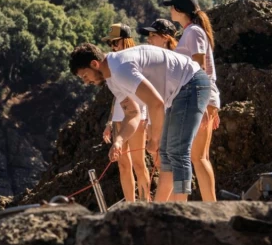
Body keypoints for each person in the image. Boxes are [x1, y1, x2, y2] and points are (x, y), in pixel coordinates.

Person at [69, 43, 210, 201]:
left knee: (177, 153)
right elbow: (133, 113)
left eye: (85, 76)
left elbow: (156, 103)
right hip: (178, 92)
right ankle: (162, 211)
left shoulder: (120, 69)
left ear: (94, 64)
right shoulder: (112, 80)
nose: (86, 82)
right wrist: (119, 141)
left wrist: (155, 139)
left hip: (191, 83)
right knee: (168, 157)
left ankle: (180, 212)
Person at [163, 0, 220, 202]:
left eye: (171, 7)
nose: (169, 10)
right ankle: (201, 205)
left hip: (198, 95)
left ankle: (210, 207)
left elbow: (199, 66)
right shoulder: (192, 31)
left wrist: (203, 103)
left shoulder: (193, 32)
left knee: (196, 157)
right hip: (202, 95)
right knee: (196, 156)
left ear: (178, 10)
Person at [100, 23, 151, 202]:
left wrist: (150, 120)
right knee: (123, 164)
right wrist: (109, 121)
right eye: (110, 44)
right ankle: (130, 204)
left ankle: (145, 203)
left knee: (139, 163)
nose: (113, 47)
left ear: (125, 40)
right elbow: (117, 94)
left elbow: (150, 92)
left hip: (139, 115)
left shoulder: (136, 59)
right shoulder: (114, 62)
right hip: (119, 116)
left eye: (115, 42)